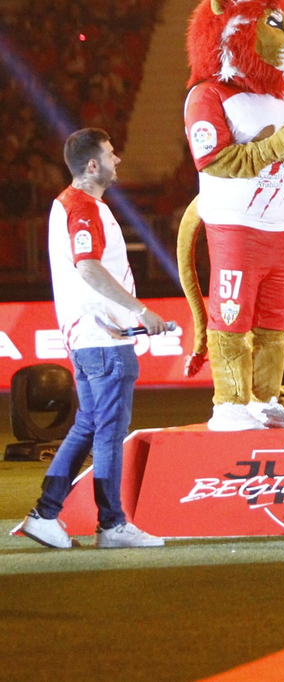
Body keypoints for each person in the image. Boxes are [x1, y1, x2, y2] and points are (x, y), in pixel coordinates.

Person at [12, 130, 173, 549]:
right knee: (107, 431)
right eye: (111, 154)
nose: (118, 160)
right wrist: (140, 311)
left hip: (88, 338)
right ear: (92, 166)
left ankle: (46, 513)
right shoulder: (84, 208)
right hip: (104, 339)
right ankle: (112, 524)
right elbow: (89, 268)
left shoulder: (67, 204)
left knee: (88, 425)